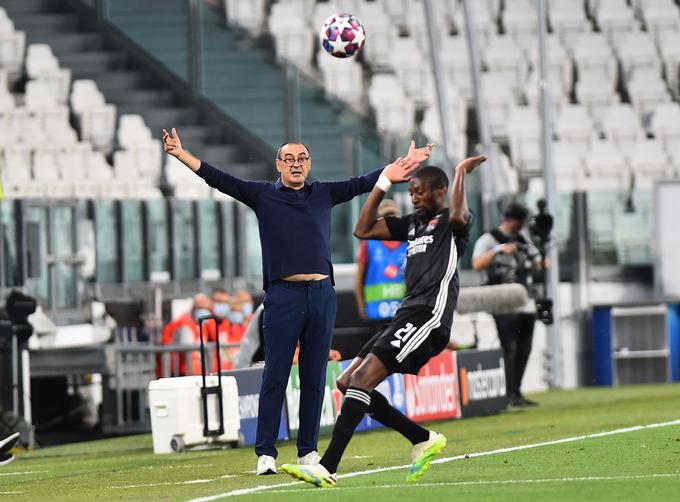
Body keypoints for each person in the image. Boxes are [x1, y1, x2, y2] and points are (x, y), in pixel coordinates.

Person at [162, 127, 433, 475]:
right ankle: (265, 453)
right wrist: (181, 154)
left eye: (301, 158)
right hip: (282, 296)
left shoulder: (323, 193)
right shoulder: (262, 195)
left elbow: (362, 182)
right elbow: (218, 178)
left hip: (322, 294)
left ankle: (308, 451)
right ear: (278, 164)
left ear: (309, 163)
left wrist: (398, 167)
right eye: (288, 159)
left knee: (314, 376)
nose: (295, 164)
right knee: (274, 375)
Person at [281, 152, 487, 487]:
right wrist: (384, 182)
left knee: (362, 381)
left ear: (441, 190)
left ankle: (327, 466)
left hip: (429, 317)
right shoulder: (412, 225)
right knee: (347, 382)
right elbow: (361, 230)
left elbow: (462, 215)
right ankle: (421, 438)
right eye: (411, 192)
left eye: (421, 191)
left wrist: (462, 171)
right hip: (404, 314)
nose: (415, 197)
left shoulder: (452, 222)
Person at [471, 202, 543, 408]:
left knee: (524, 347)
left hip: (524, 299)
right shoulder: (489, 239)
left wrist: (542, 251)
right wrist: (498, 250)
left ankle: (516, 392)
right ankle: (508, 394)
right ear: (510, 220)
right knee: (509, 346)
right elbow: (476, 264)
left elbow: (539, 262)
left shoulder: (522, 238)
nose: (518, 228)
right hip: (501, 299)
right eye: (517, 223)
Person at [354, 199, 407, 326]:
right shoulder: (369, 243)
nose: (390, 221)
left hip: (403, 312)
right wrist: (361, 306)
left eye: (392, 215)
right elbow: (359, 277)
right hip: (376, 313)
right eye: (386, 217)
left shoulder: (408, 242)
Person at [157, 293, 215, 377]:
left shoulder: (201, 324)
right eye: (200, 308)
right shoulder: (185, 324)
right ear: (193, 308)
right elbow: (188, 353)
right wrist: (191, 376)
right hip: (180, 372)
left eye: (207, 309)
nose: (204, 311)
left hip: (194, 371)